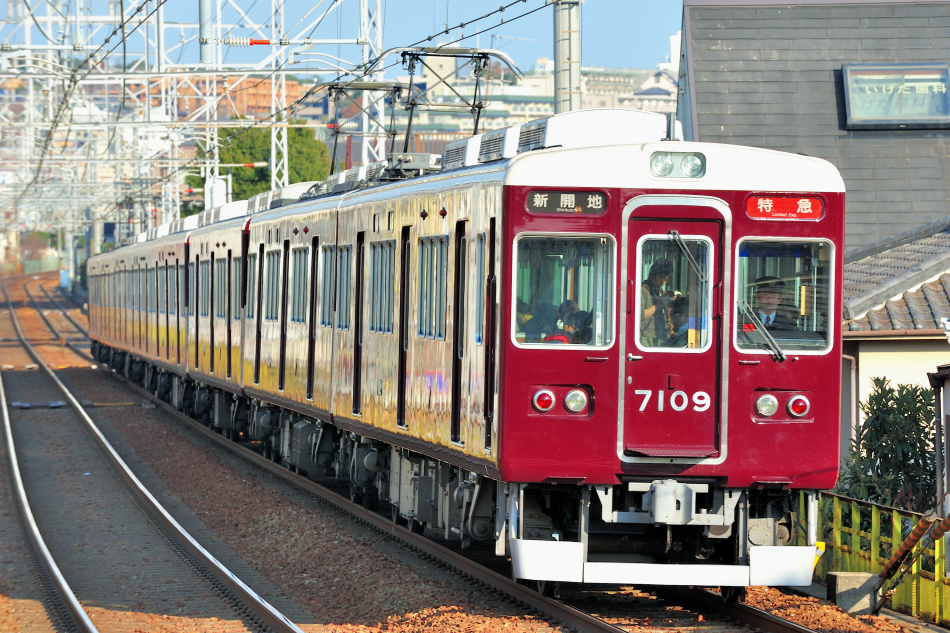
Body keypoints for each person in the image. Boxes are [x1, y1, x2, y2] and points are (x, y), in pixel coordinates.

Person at [640, 259, 673, 345]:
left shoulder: (660, 292)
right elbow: (639, 315)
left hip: (659, 336)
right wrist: (658, 305)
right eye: (660, 277)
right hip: (646, 338)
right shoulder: (643, 290)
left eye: (666, 279)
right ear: (652, 274)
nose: (662, 282)